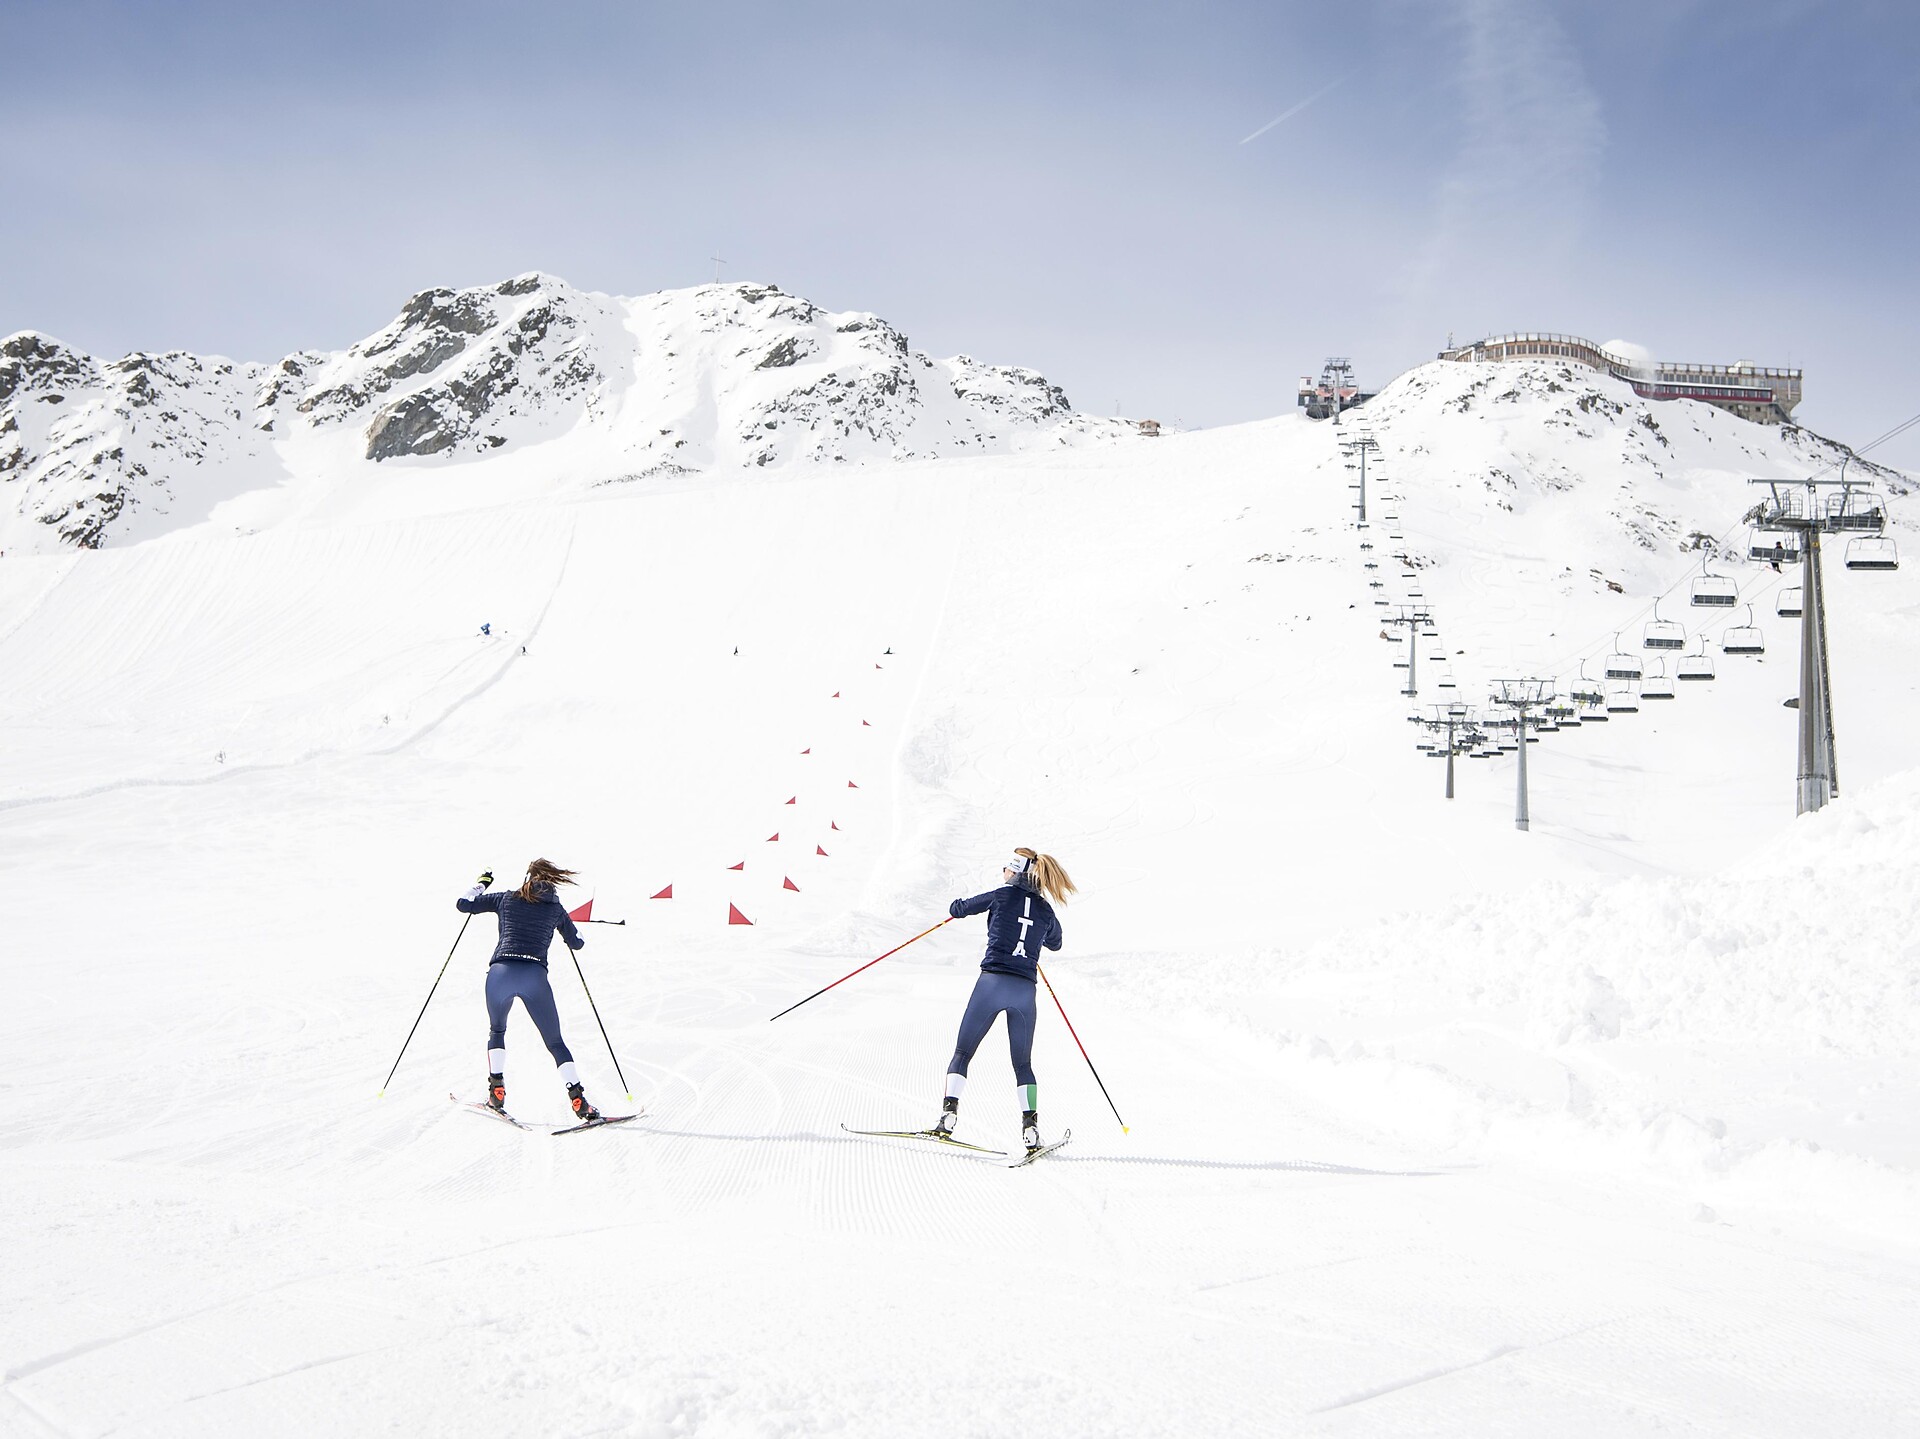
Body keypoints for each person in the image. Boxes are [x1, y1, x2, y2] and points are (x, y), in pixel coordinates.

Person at [936, 848, 1075, 1154]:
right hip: (1025, 991)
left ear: (1014, 872)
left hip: (992, 984)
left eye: (1005, 869)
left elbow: (958, 908)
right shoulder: (1045, 909)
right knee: (1023, 1064)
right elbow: (1056, 942)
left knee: (963, 1052)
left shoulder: (1001, 895)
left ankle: (948, 1116)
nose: (1003, 873)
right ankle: (1031, 1129)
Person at [457, 859, 601, 1121]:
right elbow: (577, 943)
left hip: (500, 972)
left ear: (528, 877)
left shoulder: (506, 898)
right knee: (555, 1042)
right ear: (552, 880)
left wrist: (481, 884)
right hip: (534, 975)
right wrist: (571, 930)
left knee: (497, 1030)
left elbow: (463, 904)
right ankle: (579, 1102)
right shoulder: (556, 908)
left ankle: (496, 1094)